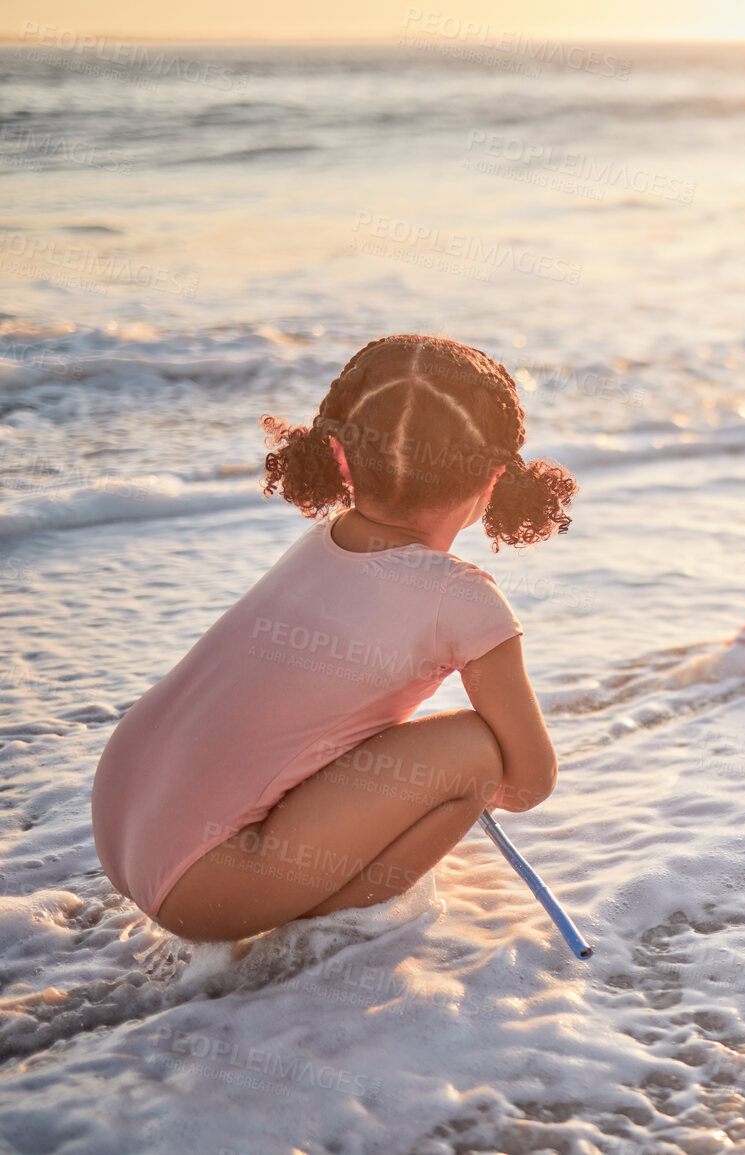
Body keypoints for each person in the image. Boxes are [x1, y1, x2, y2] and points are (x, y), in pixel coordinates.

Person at [91, 334, 579, 941]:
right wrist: (425, 790)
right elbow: (530, 781)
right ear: (496, 477)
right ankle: (324, 930)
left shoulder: (327, 539)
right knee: (477, 750)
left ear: (341, 458)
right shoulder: (465, 599)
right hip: (203, 894)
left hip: (115, 825)